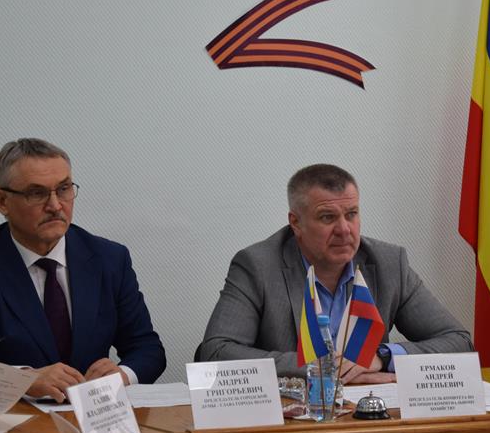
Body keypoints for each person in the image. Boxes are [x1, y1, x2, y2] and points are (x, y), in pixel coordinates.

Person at [199, 164, 473, 383]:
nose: (344, 229)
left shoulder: (389, 263)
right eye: (327, 217)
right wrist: (322, 368)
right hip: (291, 419)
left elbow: (459, 342)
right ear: (296, 222)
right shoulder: (258, 265)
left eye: (351, 214)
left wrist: (382, 357)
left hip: (368, 417)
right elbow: (215, 353)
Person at [0, 139, 165, 401]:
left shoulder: (109, 258)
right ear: (2, 201)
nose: (55, 205)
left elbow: (147, 349)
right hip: (18, 420)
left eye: (64, 189)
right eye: (37, 193)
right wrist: (24, 379)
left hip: (96, 415)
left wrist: (122, 374)